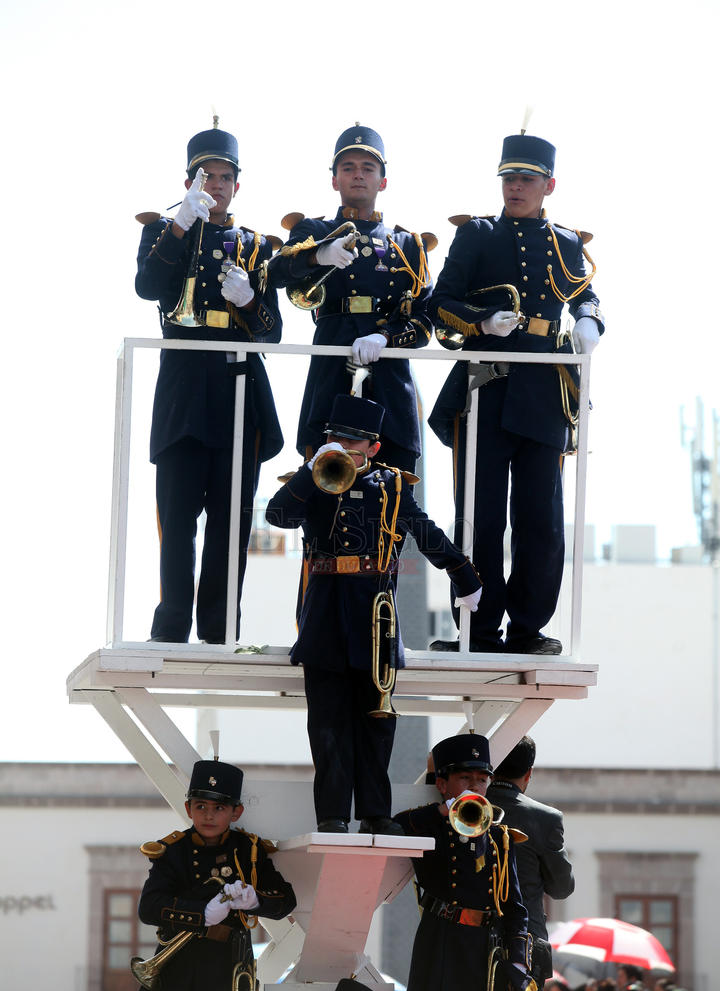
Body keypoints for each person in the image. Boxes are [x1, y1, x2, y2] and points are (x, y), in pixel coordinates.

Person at [265, 396, 482, 835]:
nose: (341, 445)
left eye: (351, 439)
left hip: (373, 610)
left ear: (373, 447)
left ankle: (374, 811)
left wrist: (462, 572)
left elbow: (425, 531)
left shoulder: (393, 486)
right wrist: (311, 472)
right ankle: (331, 812)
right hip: (324, 608)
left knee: (376, 721)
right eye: (335, 436)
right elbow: (278, 515)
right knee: (326, 723)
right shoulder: (314, 480)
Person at [428, 129, 604, 655]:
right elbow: (442, 303)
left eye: (526, 178)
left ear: (548, 184)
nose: (515, 187)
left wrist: (591, 321)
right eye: (508, 177)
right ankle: (476, 630)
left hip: (546, 388)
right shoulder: (478, 234)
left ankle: (527, 629)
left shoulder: (567, 241)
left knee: (541, 520)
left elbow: (586, 294)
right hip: (487, 382)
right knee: (478, 517)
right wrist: (483, 321)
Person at [136, 120, 283, 643]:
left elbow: (272, 331)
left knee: (229, 523)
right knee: (177, 519)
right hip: (181, 385)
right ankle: (171, 624)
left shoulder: (257, 246)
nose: (215, 185)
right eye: (206, 176)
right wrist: (178, 228)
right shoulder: (161, 231)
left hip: (235, 389)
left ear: (237, 186)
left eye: (224, 177)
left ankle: (220, 630)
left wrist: (248, 300)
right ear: (189, 181)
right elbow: (148, 287)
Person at [269, 123, 433, 471]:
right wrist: (318, 255)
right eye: (348, 168)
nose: (358, 175)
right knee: (323, 488)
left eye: (368, 168)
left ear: (383, 181)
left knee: (395, 491)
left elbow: (426, 318)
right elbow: (277, 271)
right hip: (332, 367)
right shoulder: (314, 232)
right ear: (334, 180)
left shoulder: (406, 245)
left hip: (388, 376)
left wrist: (385, 336)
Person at [130, 759, 296, 991]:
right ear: (188, 808)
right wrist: (201, 915)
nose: (209, 815)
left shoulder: (249, 850)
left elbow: (285, 901)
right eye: (201, 805)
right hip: (179, 977)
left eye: (220, 807)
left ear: (236, 813)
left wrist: (255, 899)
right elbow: (148, 907)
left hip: (227, 976)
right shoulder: (173, 851)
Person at [393, 733, 533, 991]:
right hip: (440, 953)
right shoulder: (429, 823)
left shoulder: (499, 836)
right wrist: (444, 812)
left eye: (482, 779)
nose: (475, 786)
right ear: (443, 783)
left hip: (486, 960)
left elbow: (514, 904)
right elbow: (397, 826)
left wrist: (517, 957)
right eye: (465, 778)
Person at [487, 735, 575, 991]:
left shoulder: (466, 808)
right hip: (524, 944)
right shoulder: (546, 818)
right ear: (529, 773)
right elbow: (562, 887)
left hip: (471, 938)